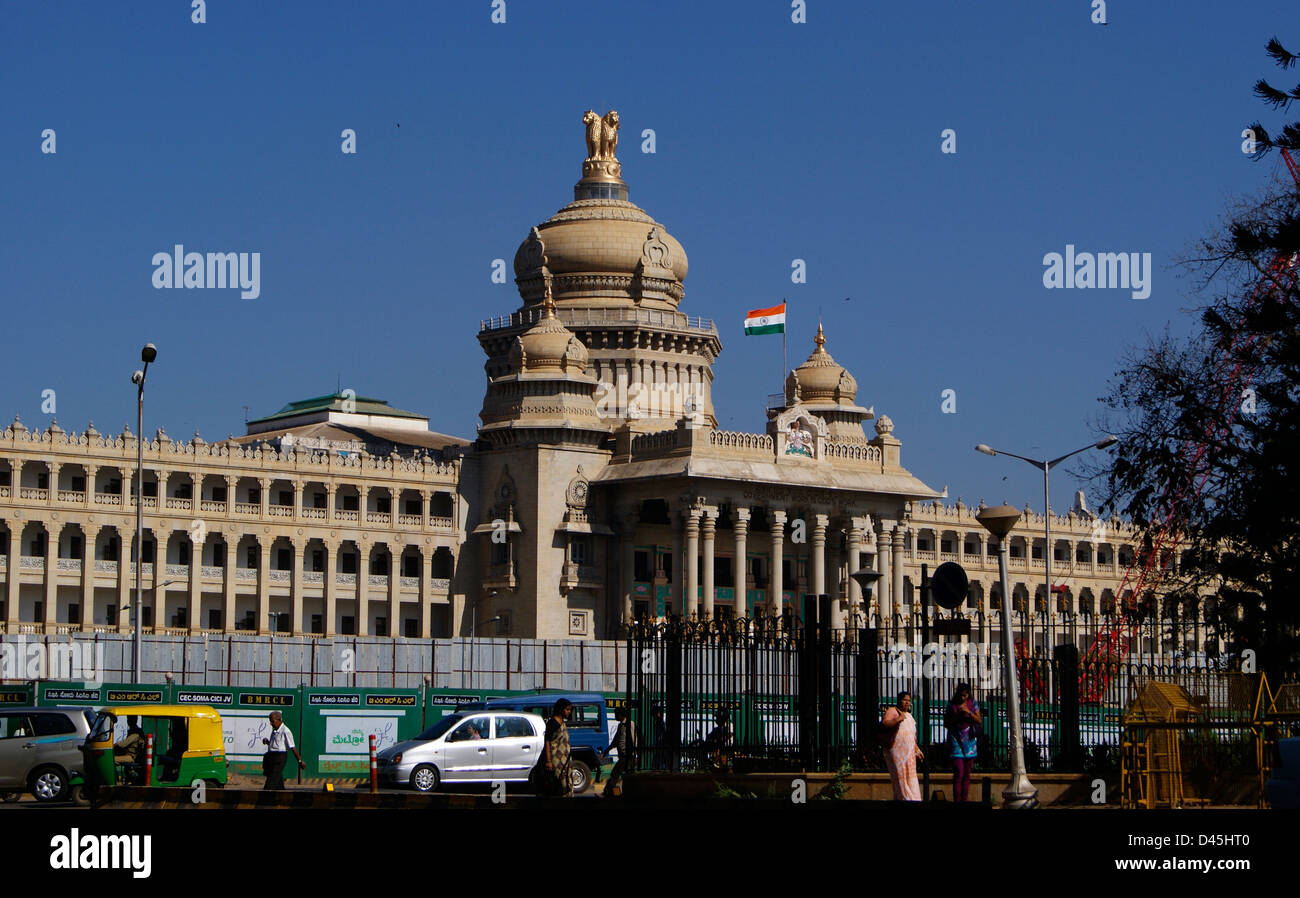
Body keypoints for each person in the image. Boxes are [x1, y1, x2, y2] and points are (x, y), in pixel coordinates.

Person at [881, 691, 923, 801]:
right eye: (905, 700)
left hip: (909, 755)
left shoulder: (909, 716)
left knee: (910, 778)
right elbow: (885, 724)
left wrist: (917, 749)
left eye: (909, 701)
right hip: (896, 753)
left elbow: (911, 736)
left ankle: (913, 799)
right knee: (900, 777)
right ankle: (904, 799)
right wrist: (898, 719)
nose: (907, 703)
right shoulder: (892, 711)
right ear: (899, 701)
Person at [945, 683, 981, 802]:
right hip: (956, 740)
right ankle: (957, 800)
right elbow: (947, 723)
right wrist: (957, 715)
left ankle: (964, 800)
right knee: (959, 772)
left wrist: (968, 712)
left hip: (969, 741)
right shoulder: (951, 705)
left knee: (967, 773)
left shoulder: (972, 704)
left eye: (965, 695)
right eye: (961, 695)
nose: (963, 698)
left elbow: (978, 720)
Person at [261, 710, 304, 790]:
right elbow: (276, 745)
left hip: (280, 758)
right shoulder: (274, 730)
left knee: (271, 781)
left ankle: (265, 798)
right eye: (270, 721)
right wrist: (268, 742)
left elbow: (293, 748)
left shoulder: (286, 731)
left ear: (279, 720)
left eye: (272, 721)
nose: (271, 724)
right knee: (278, 782)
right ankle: (281, 794)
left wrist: (300, 761)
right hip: (272, 756)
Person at [539, 698, 574, 797]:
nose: (568, 712)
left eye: (569, 710)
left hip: (564, 760)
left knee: (566, 783)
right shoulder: (553, 723)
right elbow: (547, 742)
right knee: (558, 784)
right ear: (560, 709)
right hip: (555, 760)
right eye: (567, 709)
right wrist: (549, 761)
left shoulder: (562, 723)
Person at [604, 707, 637, 798]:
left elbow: (634, 740)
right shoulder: (620, 725)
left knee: (618, 774)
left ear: (621, 715)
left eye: (616, 714)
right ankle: (610, 791)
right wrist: (606, 750)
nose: (615, 716)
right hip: (622, 755)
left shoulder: (629, 724)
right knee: (617, 774)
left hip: (628, 755)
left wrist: (635, 754)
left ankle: (609, 791)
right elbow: (616, 741)